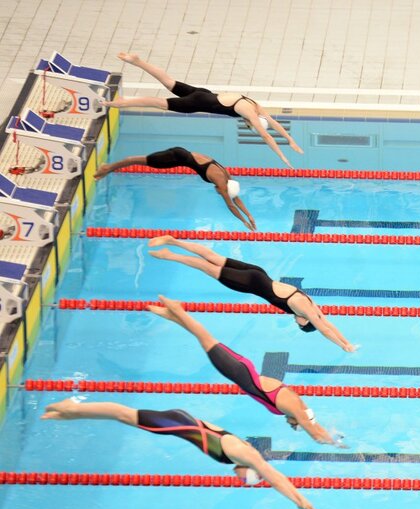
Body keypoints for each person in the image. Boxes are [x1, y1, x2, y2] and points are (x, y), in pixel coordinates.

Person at [41, 398, 318, 509]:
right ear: (251, 470)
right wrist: (301, 502)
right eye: (247, 479)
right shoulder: (247, 456)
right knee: (122, 415)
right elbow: (278, 479)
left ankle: (69, 412)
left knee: (124, 416)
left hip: (180, 422)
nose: (240, 478)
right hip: (178, 424)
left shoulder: (240, 454)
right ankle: (72, 409)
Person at [148, 294, 347, 448]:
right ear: (302, 418)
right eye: (296, 425)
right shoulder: (293, 406)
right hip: (238, 370)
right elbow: (314, 432)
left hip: (240, 370)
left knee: (204, 340)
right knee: (205, 337)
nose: (292, 425)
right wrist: (332, 442)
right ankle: (177, 309)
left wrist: (328, 431)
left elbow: (313, 425)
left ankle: (172, 316)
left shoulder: (294, 407)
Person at [147, 235, 358, 353]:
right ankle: (170, 255)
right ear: (306, 320)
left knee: (212, 256)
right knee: (204, 266)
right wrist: (342, 346)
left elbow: (328, 323)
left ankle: (173, 241)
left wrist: (347, 342)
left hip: (259, 273)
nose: (297, 323)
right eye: (300, 325)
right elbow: (324, 329)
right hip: (249, 282)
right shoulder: (303, 309)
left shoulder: (311, 304)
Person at [103, 52, 303, 168]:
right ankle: (118, 103)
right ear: (253, 122)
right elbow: (267, 137)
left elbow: (275, 124)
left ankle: (137, 61)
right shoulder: (250, 114)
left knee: (168, 81)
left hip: (203, 93)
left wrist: (291, 140)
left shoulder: (255, 106)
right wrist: (282, 157)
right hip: (197, 104)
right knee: (155, 102)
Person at [95, 147, 257, 231]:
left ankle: (108, 168)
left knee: (139, 160)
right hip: (176, 158)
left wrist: (250, 215)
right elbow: (231, 204)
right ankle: (107, 168)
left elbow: (236, 199)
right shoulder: (222, 185)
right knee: (136, 160)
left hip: (181, 152)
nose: (219, 193)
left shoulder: (226, 175)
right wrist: (243, 221)